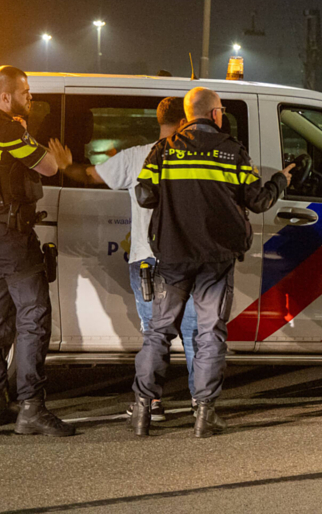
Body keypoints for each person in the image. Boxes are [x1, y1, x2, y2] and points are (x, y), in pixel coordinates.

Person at [129, 87, 294, 438]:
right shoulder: (232, 152)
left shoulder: (165, 149)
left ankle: (142, 411)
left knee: (160, 331)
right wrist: (280, 181)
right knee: (209, 333)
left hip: (173, 255)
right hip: (216, 259)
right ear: (216, 113)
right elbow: (259, 201)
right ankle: (204, 414)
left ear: (188, 115)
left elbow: (144, 195)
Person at [47, 97, 198, 421]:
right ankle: (202, 403)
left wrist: (63, 166)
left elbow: (88, 175)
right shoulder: (195, 158)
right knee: (193, 332)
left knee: (154, 334)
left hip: (146, 260)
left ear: (159, 121)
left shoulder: (135, 156)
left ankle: (149, 404)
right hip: (184, 261)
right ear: (184, 121)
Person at [0, 65, 74, 437]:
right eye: (26, 93)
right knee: (34, 316)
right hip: (12, 236)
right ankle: (31, 407)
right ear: (6, 95)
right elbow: (46, 166)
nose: (31, 98)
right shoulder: (9, 130)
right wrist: (51, 153)